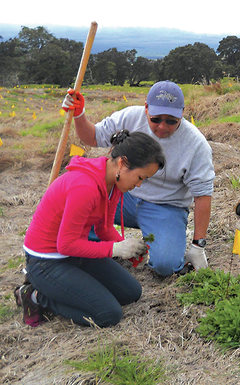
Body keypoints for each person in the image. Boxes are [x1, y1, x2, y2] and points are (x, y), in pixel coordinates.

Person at [14, 130, 166, 327]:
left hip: (75, 254)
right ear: (122, 163)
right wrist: (114, 249)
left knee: (131, 293)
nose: (139, 185)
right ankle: (35, 296)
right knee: (107, 314)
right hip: (46, 261)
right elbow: (66, 245)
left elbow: (103, 229)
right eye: (140, 177)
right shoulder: (84, 187)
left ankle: (68, 288)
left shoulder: (114, 184)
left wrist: (125, 246)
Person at [62, 81, 215, 276]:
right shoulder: (129, 118)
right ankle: (90, 251)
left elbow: (203, 195)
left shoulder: (196, 144)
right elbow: (93, 137)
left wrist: (198, 245)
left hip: (165, 207)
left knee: (166, 265)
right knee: (81, 216)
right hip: (123, 197)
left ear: (182, 113)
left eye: (171, 121)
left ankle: (152, 241)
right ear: (146, 108)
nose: (162, 126)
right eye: (156, 118)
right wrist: (79, 114)